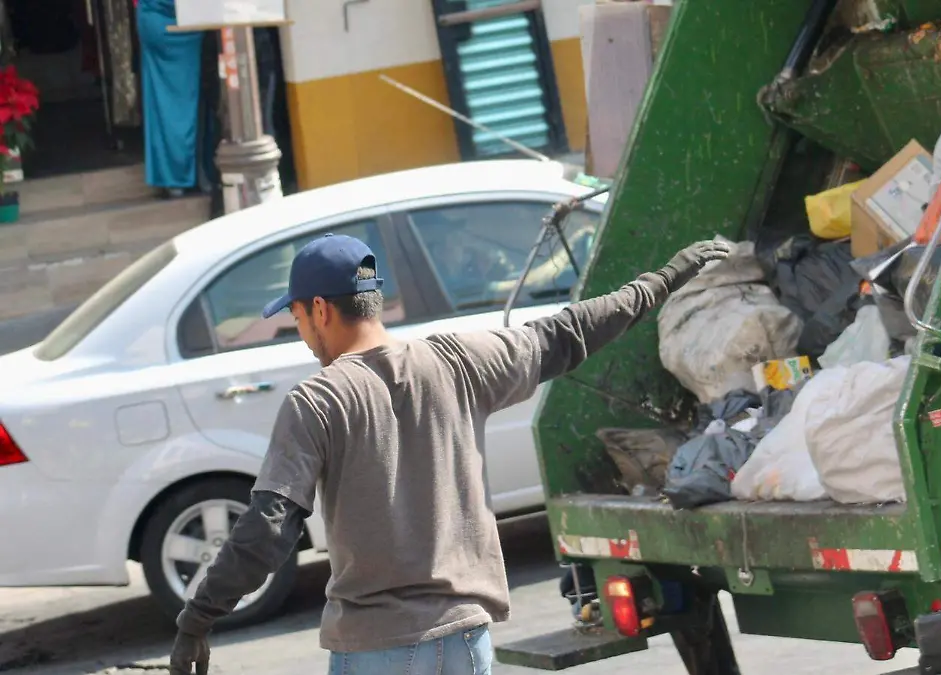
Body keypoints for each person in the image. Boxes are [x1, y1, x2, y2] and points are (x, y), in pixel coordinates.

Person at [167, 233, 732, 675]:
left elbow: (268, 528)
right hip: (467, 642)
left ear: (320, 309)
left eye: (295, 319)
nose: (302, 334)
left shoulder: (319, 399)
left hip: (377, 649)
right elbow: (569, 333)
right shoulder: (458, 362)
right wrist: (666, 278)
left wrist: (199, 616)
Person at [136, 0, 203, 198]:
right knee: (189, 101)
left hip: (155, 21)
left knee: (160, 102)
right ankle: (186, 173)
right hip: (188, 23)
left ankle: (171, 177)